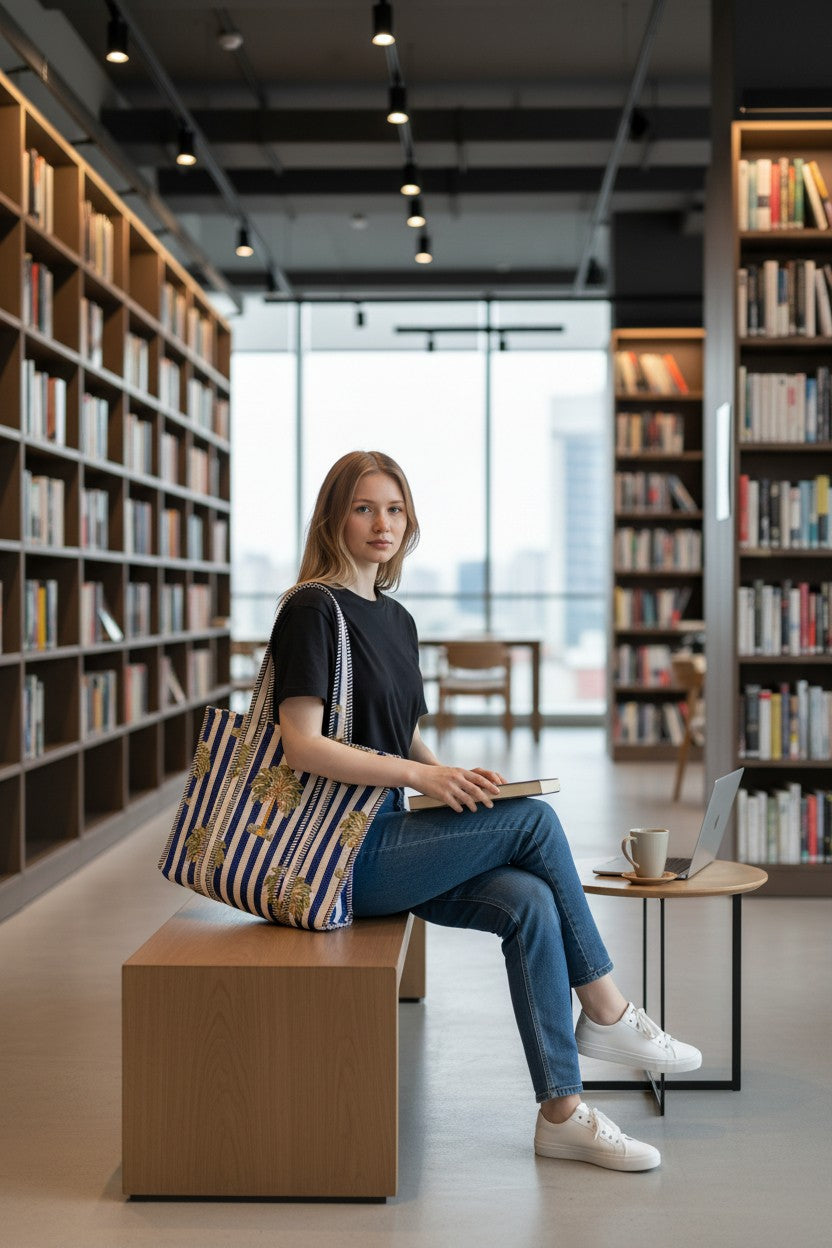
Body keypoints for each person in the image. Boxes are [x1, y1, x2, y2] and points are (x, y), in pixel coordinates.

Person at [271, 450, 702, 1173]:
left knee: (529, 898)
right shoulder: (313, 609)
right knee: (533, 824)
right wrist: (420, 778)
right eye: (364, 508)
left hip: (389, 840)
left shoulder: (396, 620)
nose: (382, 523)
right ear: (333, 518)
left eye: (395, 508)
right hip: (337, 855)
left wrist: (452, 776)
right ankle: (607, 1011)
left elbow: (402, 733)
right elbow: (302, 745)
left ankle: (561, 1112)